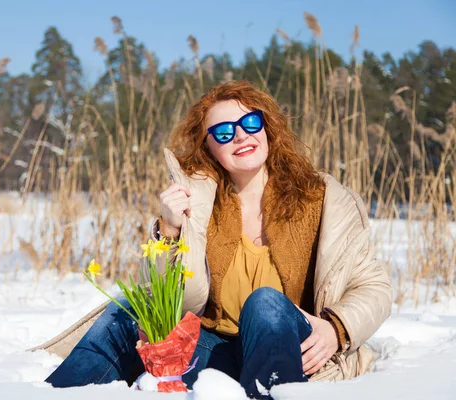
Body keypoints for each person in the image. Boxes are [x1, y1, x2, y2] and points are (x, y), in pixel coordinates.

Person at [42, 80, 392, 399]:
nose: (240, 136)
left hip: (295, 351)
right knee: (128, 310)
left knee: (265, 303)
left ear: (267, 129)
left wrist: (337, 329)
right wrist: (169, 230)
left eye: (250, 123)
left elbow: (374, 286)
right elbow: (163, 296)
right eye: (223, 132)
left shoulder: (324, 198)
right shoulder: (198, 205)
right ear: (209, 147)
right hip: (214, 354)